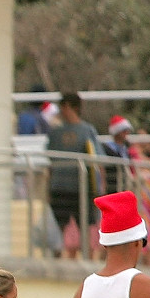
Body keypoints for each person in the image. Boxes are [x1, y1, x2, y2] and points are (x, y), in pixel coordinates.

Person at [45, 92, 104, 259]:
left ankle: (85, 262)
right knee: (57, 228)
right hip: (59, 187)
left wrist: (99, 188)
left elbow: (96, 159)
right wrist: (48, 188)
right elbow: (50, 161)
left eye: (65, 107)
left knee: (85, 225)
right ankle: (55, 261)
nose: (62, 111)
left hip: (81, 188)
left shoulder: (87, 130)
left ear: (73, 108)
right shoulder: (55, 133)